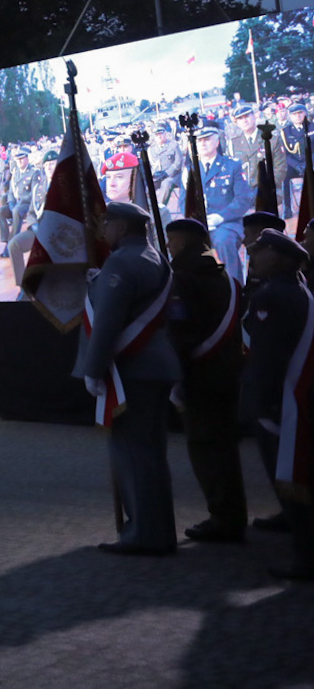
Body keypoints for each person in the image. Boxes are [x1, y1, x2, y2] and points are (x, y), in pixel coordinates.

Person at [77, 200, 181, 556]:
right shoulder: (157, 258)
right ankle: (158, 530)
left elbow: (108, 322)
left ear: (121, 227)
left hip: (131, 371)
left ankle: (144, 535)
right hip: (157, 368)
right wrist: (99, 284)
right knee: (151, 455)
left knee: (133, 455)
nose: (102, 228)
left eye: (106, 222)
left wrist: (93, 370)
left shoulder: (120, 262)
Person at [163, 217, 246, 542]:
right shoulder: (221, 273)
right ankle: (233, 514)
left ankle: (223, 518)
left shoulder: (183, 278)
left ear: (181, 242)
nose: (168, 248)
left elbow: (180, 331)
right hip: (226, 372)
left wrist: (177, 379)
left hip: (201, 376)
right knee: (225, 448)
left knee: (207, 449)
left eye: (171, 242)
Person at [240, 228, 314, 579]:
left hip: (282, 402)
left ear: (281, 257)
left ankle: (306, 558)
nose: (252, 256)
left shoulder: (272, 296)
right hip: (294, 397)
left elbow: (267, 359)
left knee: (290, 480)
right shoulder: (297, 289)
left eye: (260, 250)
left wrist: (264, 405)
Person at [197, 128, 252, 278]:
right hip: (201, 224)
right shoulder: (190, 170)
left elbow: (244, 198)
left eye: (207, 139)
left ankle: (235, 288)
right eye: (199, 140)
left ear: (217, 142)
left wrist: (220, 217)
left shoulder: (232, 165)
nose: (203, 144)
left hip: (228, 222)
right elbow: (185, 202)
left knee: (222, 241)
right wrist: (199, 221)